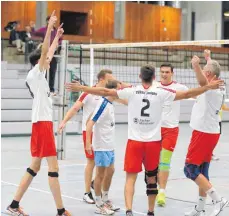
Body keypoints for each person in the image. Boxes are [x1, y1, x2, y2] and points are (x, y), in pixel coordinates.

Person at [65, 64, 223, 216]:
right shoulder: (161, 92)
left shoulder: (132, 91)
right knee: (152, 178)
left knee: (130, 178)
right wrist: (207, 87)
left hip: (134, 142)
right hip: (153, 143)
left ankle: (129, 210)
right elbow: (188, 94)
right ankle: (150, 211)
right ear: (155, 77)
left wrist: (83, 88)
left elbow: (105, 90)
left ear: (140, 76)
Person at [6, 11, 71, 216]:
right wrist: (50, 28)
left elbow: (48, 53)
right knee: (53, 168)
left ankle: (14, 205)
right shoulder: (36, 73)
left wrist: (57, 38)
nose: (50, 61)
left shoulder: (38, 73)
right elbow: (45, 53)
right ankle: (60, 210)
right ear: (38, 63)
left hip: (42, 124)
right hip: (42, 124)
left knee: (35, 167)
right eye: (46, 60)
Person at [58, 69, 115, 204]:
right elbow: (75, 108)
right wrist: (64, 121)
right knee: (91, 162)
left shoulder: (109, 93)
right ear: (101, 79)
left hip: (103, 133)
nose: (111, 81)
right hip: (89, 131)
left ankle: (95, 184)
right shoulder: (88, 92)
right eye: (109, 79)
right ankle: (87, 192)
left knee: (107, 165)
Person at [184, 54, 228, 216]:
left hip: (203, 133)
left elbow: (203, 82)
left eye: (205, 70)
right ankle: (200, 208)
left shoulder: (212, 87)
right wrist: (207, 58)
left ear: (211, 75)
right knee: (203, 170)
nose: (202, 72)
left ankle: (218, 199)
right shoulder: (213, 87)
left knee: (189, 169)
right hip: (209, 132)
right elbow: (203, 84)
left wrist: (196, 65)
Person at [86, 80, 121, 215]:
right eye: (118, 89)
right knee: (100, 174)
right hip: (101, 145)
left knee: (111, 170)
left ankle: (105, 199)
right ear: (112, 90)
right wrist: (88, 143)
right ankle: (99, 204)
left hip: (110, 145)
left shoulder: (111, 104)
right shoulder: (103, 104)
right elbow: (90, 124)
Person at [156, 63, 188, 207]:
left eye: (167, 72)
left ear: (172, 73)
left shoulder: (180, 88)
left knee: (164, 161)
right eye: (162, 72)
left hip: (171, 130)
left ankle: (162, 191)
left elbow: (194, 94)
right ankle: (156, 187)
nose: (164, 74)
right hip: (154, 129)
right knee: (154, 162)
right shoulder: (153, 86)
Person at [32, 16, 63, 93]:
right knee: (44, 71)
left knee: (53, 71)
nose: (54, 23)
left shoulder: (56, 31)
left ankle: (51, 89)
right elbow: (35, 33)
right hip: (45, 52)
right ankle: (43, 87)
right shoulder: (44, 30)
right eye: (51, 21)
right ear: (47, 21)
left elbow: (60, 39)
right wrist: (33, 27)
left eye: (54, 21)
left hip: (54, 53)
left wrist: (57, 43)